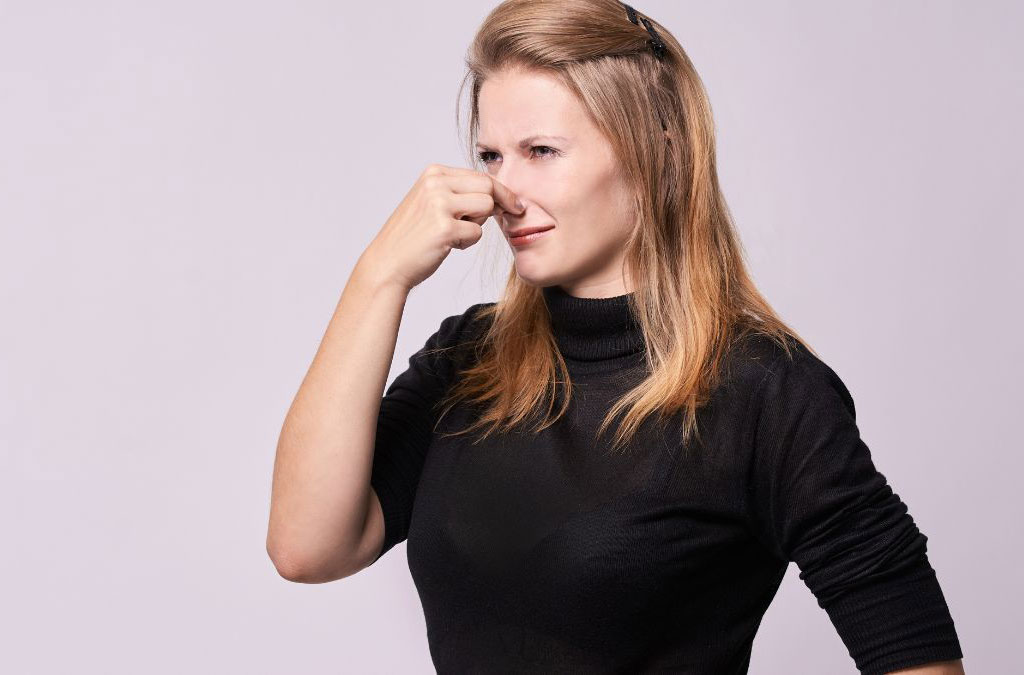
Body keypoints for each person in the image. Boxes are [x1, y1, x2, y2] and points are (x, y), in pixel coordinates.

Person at [267, 1, 965, 672]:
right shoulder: (467, 358)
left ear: (653, 150)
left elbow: (914, 648)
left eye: (541, 150)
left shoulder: (765, 392)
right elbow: (306, 547)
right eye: (491, 155)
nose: (504, 190)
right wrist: (378, 278)